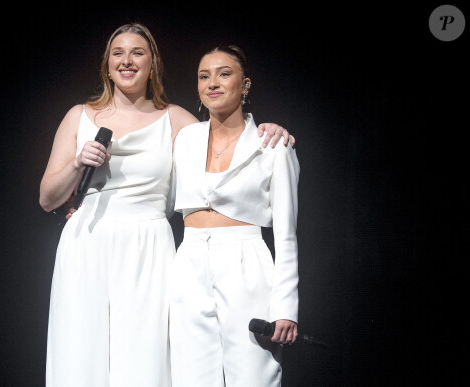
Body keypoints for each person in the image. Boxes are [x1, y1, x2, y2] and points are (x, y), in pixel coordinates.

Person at [39, 22, 294, 387]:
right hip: (87, 241)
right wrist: (79, 162)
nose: (127, 61)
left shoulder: (177, 121)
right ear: (107, 64)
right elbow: (48, 198)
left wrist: (271, 129)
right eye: (118, 53)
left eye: (137, 52)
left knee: (143, 355)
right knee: (80, 348)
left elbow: (225, 136)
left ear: (152, 63)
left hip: (149, 245)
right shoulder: (78, 115)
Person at [169, 44, 300, 387]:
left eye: (224, 73)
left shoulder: (272, 144)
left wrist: (286, 308)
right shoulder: (185, 139)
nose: (212, 82)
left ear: (245, 85)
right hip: (190, 260)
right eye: (204, 76)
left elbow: (286, 234)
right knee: (190, 376)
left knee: (253, 375)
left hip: (246, 262)